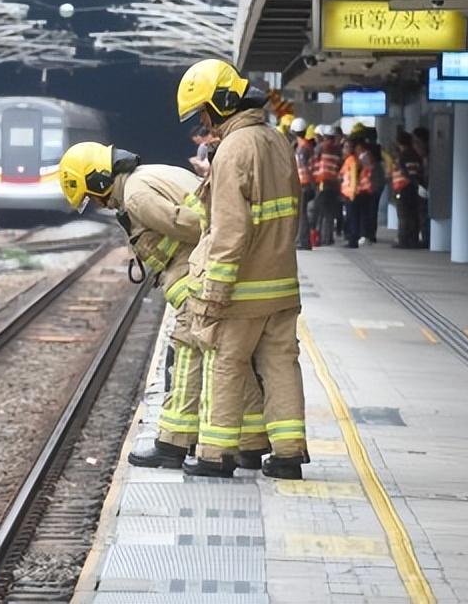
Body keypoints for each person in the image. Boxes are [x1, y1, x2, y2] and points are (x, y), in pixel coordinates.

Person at [56, 141, 271, 471]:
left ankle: (173, 443)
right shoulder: (152, 174)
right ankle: (253, 442)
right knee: (231, 356)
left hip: (195, 276)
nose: (100, 204)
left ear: (99, 179)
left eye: (93, 195)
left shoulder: (136, 195)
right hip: (210, 272)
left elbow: (197, 226)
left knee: (187, 351)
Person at [175, 58, 307, 480]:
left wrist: (215, 293)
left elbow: (229, 231)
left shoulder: (233, 150)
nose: (204, 122)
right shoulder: (275, 140)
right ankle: (288, 453)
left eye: (204, 113)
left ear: (222, 105)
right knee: (282, 363)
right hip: (282, 282)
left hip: (243, 289)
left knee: (226, 362)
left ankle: (215, 455)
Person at [392, 130, 423, 249]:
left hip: (403, 188)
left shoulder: (403, 156)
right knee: (413, 214)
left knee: (404, 215)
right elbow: (417, 172)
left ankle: (403, 240)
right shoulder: (416, 155)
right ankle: (413, 239)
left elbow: (406, 173)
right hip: (413, 189)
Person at [312, 126, 341, 247]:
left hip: (322, 183)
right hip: (334, 184)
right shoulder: (338, 150)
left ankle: (320, 237)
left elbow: (314, 163)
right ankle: (328, 238)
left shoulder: (320, 148)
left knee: (321, 211)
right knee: (330, 212)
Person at [292, 120, 316, 251]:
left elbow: (302, 168)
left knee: (302, 214)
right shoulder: (307, 147)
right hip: (307, 184)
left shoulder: (302, 149)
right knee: (303, 214)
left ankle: (303, 241)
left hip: (303, 184)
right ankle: (303, 240)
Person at [339, 137, 361, 249]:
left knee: (352, 217)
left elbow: (353, 178)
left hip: (351, 194)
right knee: (350, 216)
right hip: (347, 193)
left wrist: (352, 192)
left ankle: (353, 240)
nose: (344, 149)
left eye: (347, 147)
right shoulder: (349, 160)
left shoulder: (352, 161)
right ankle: (351, 238)